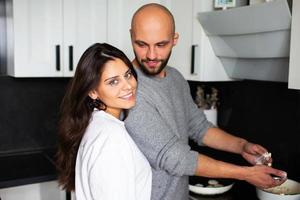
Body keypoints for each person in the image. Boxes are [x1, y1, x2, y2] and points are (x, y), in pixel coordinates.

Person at [124, 3, 287, 200]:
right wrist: (246, 173)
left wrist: (241, 145)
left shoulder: (175, 79)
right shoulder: (128, 91)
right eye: (141, 44)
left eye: (161, 44)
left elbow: (199, 128)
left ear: (175, 39)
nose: (151, 55)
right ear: (131, 36)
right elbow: (175, 158)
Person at [56, 43, 152, 200]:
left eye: (128, 75)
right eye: (113, 81)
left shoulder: (95, 124)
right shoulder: (112, 138)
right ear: (93, 91)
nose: (128, 86)